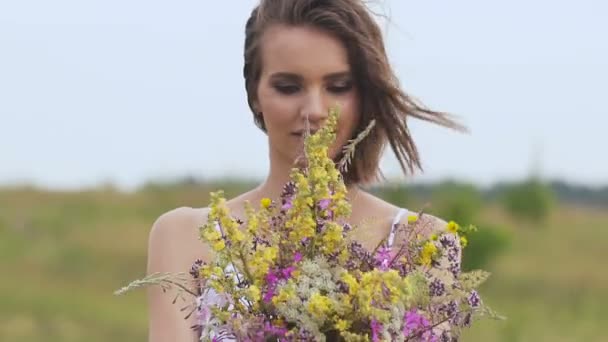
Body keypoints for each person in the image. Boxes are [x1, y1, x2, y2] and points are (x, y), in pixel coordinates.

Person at [147, 0, 464, 340]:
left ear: (364, 95)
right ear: (255, 93)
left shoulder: (422, 243)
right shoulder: (184, 237)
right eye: (288, 87)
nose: (314, 110)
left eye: (338, 87)